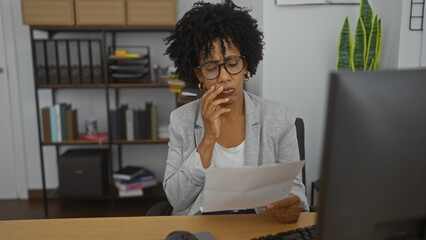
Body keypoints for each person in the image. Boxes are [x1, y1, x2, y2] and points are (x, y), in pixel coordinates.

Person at [163, 0, 309, 223]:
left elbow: (295, 188)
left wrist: (293, 202)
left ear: (246, 66)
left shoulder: (279, 117)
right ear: (199, 75)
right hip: (201, 225)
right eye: (211, 67)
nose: (224, 76)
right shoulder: (181, 120)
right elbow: (176, 199)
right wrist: (208, 138)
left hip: (258, 224)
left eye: (232, 63)